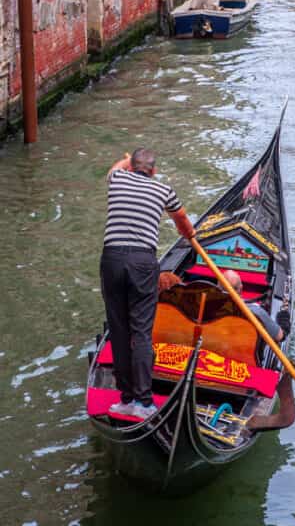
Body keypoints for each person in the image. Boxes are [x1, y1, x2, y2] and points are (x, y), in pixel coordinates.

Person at [100, 149, 196, 419]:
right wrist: (189, 234)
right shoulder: (164, 189)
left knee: (119, 331)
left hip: (112, 259)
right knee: (141, 332)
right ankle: (144, 402)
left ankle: (126, 399)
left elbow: (114, 167)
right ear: (153, 171)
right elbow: (182, 221)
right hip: (142, 261)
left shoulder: (118, 177)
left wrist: (126, 159)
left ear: (130, 167)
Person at [221, 269, 290, 342]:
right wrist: (284, 317)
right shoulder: (256, 313)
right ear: (241, 288)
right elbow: (280, 336)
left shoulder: (211, 306)